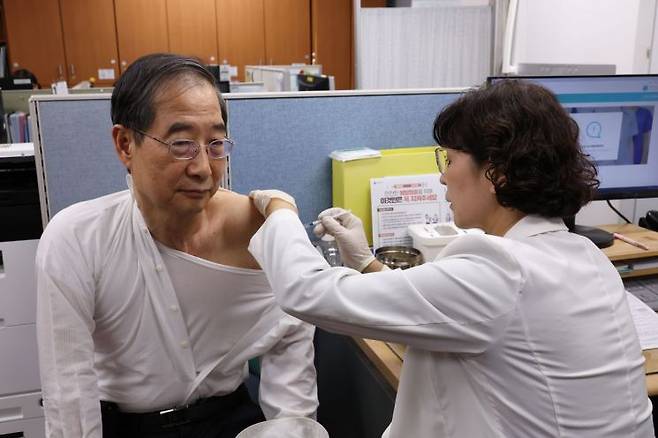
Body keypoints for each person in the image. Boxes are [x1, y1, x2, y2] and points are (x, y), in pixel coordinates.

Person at [247, 80, 654, 437]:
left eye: (449, 159)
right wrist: (367, 263)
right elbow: (449, 314)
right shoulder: (585, 254)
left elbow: (306, 292)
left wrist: (281, 212)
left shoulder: (502, 270)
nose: (442, 176)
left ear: (496, 174)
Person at [35, 53, 318, 438]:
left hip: (230, 421)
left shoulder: (262, 233)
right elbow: (69, 396)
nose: (203, 167)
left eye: (215, 143)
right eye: (181, 143)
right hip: (126, 426)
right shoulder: (78, 238)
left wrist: (290, 429)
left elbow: (292, 354)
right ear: (125, 144)